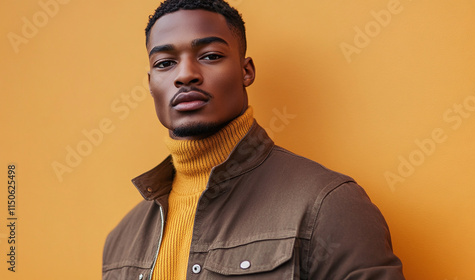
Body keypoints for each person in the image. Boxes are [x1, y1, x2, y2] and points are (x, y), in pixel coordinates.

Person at [102, 0, 406, 279]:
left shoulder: (327, 204)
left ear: (246, 71)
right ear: (151, 83)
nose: (185, 75)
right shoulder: (121, 243)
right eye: (165, 63)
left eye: (210, 56)